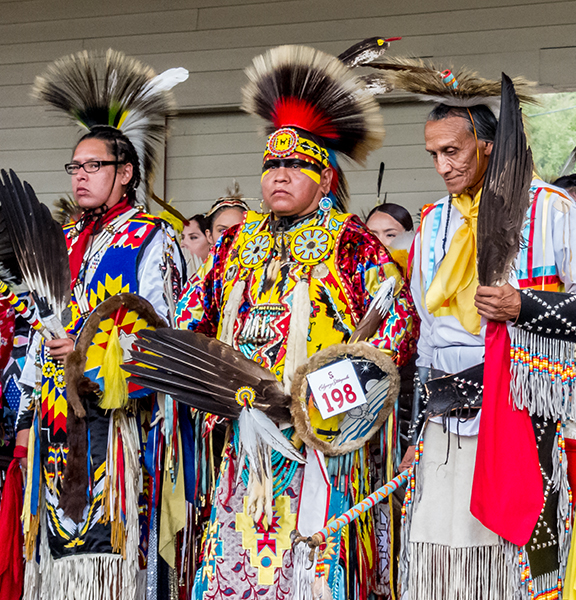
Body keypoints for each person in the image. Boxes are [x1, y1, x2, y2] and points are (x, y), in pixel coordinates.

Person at [176, 45, 417, 600]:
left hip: (322, 436)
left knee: (314, 557)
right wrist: (205, 382)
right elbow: (194, 318)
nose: (279, 176)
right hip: (247, 431)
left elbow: (397, 326)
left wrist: (327, 402)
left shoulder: (352, 241)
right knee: (241, 555)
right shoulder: (235, 241)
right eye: (270, 167)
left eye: (295, 166)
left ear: (325, 177)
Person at [382, 60, 576, 598]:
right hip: (444, 420)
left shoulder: (549, 209)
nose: (441, 166)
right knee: (438, 553)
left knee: (519, 562)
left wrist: (525, 306)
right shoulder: (435, 220)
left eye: (452, 151)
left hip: (522, 416)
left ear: (487, 144)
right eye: (433, 154)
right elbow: (425, 323)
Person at [15, 49, 186, 600]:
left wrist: (90, 353)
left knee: (112, 556)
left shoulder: (152, 239)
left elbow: (165, 336)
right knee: (56, 554)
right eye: (75, 167)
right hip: (54, 420)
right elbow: (36, 336)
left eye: (94, 166)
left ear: (126, 172)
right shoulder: (64, 241)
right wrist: (25, 411)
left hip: (117, 425)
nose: (81, 177)